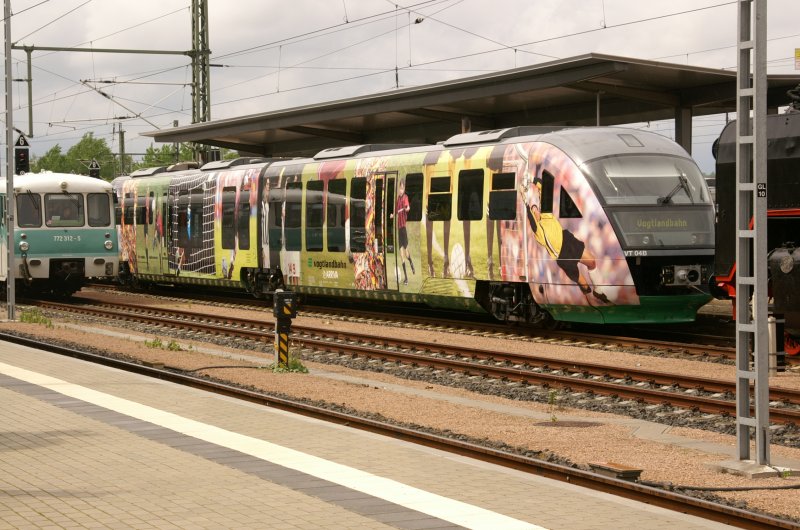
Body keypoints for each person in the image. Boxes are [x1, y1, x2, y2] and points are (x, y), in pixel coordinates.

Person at [519, 181, 610, 304]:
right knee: (584, 286)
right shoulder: (538, 232)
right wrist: (525, 201)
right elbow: (530, 218)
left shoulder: (547, 215)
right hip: (562, 256)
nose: (536, 211)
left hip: (568, 241)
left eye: (536, 208)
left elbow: (544, 189)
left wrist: (532, 180)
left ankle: (598, 290)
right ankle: (593, 305)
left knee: (592, 262)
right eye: (534, 210)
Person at [395, 179, 415, 285]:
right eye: (400, 188)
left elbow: (407, 207)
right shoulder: (398, 199)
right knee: (401, 254)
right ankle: (406, 278)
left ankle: (411, 261)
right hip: (399, 229)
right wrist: (392, 215)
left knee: (406, 253)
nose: (401, 190)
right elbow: (396, 211)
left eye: (402, 188)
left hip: (403, 229)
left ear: (404, 189)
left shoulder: (405, 198)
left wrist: (407, 208)